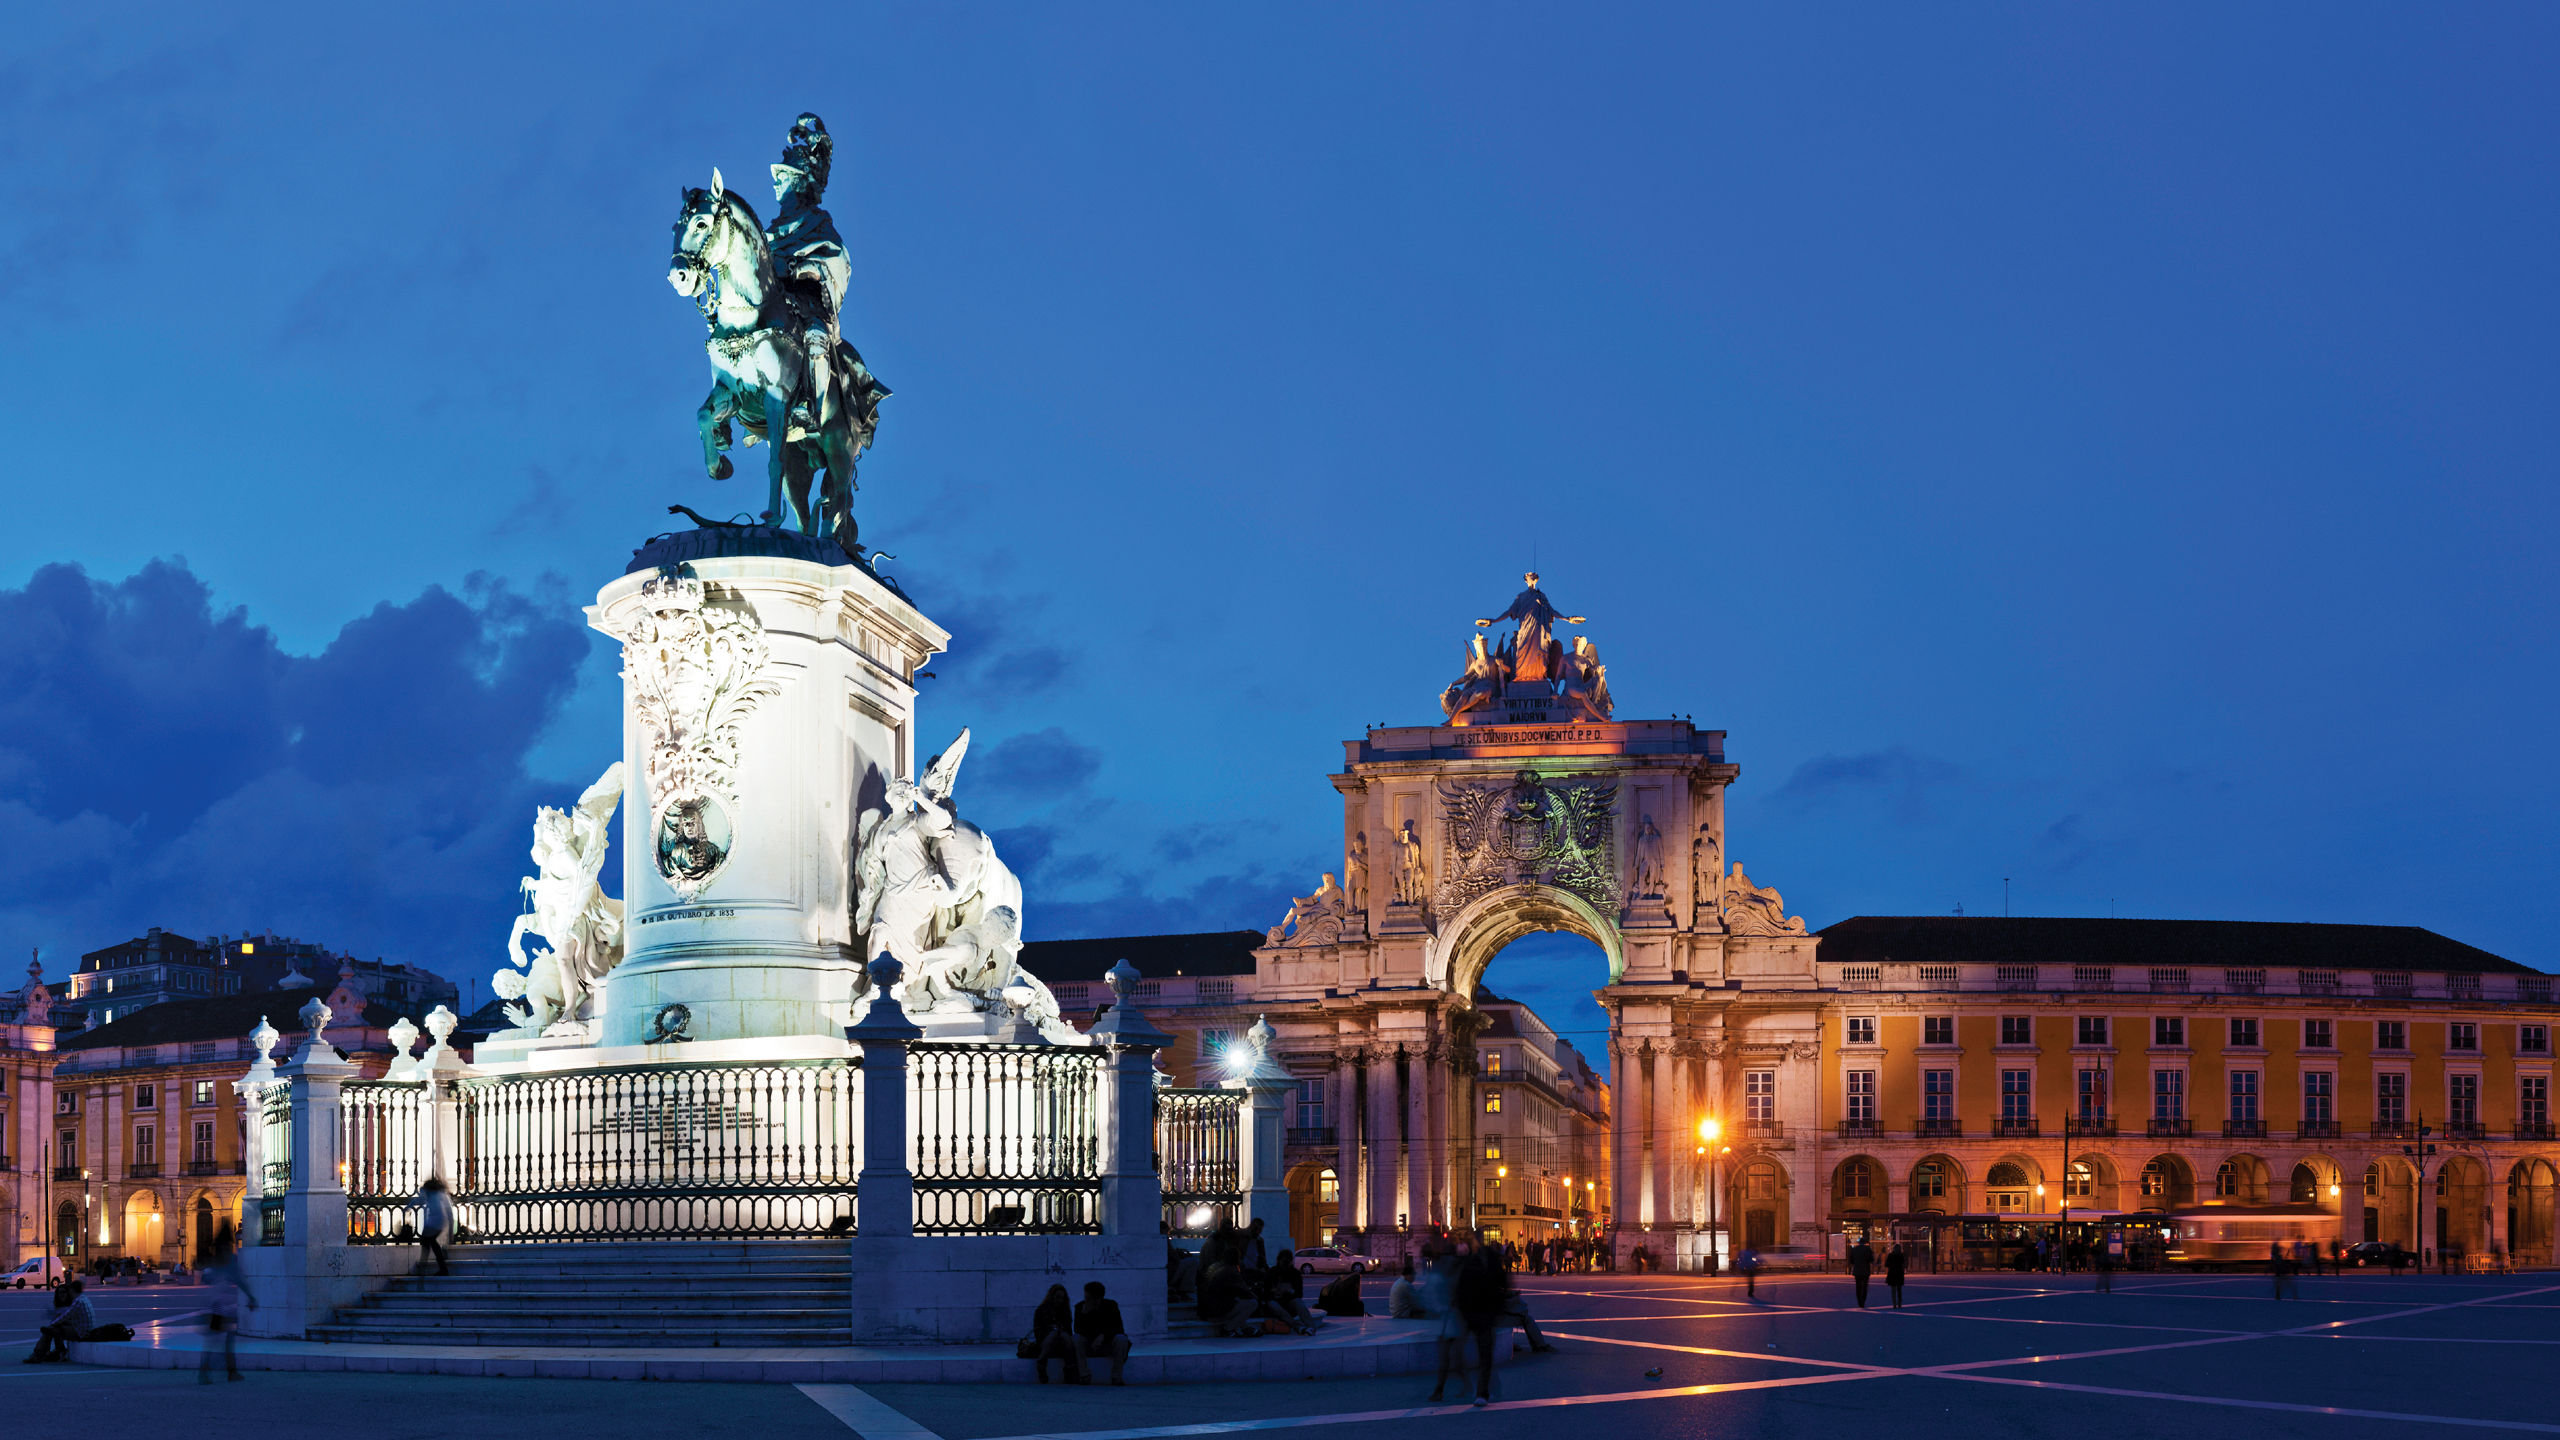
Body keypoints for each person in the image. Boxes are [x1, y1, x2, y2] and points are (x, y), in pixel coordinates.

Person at [198, 1221, 257, 1383]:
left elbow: (207, 1278)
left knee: (212, 1342)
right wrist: (251, 1297)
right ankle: (231, 1372)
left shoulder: (214, 1259)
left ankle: (206, 1372)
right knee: (227, 1341)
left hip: (213, 1307)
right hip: (225, 1308)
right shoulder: (230, 1260)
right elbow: (238, 1279)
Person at [1074, 1281, 1132, 1386]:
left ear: (1097, 1299)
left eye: (1088, 1298)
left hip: (1107, 1344)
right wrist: (1085, 1315)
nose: (1085, 1300)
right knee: (1076, 1338)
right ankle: (1084, 1375)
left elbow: (1118, 1328)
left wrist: (1103, 1336)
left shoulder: (1111, 1306)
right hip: (1089, 1344)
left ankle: (1116, 1377)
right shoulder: (1080, 1307)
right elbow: (1078, 1329)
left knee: (1121, 1339)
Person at [25, 1280, 94, 1363]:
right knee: (53, 1329)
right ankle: (55, 1352)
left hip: (81, 1332)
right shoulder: (83, 1298)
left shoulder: (78, 1301)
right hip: (83, 1330)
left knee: (51, 1330)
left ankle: (39, 1354)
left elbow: (65, 1316)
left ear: (72, 1290)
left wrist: (51, 1325)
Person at [1030, 1283, 1087, 1383]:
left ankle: (1070, 1367)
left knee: (1064, 1335)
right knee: (1054, 1334)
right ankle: (1042, 1363)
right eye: (1057, 1297)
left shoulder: (1065, 1311)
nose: (1060, 1300)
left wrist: (1060, 1330)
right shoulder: (1041, 1310)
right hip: (1046, 1342)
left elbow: (1069, 1331)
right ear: (1051, 1297)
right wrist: (1052, 1331)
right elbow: (1038, 1333)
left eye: (1062, 1298)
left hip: (1062, 1343)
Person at [1266, 1252, 1325, 1335]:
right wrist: (1276, 1292)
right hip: (1276, 1301)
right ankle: (1298, 1326)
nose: (1285, 1265)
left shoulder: (1295, 1274)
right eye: (1284, 1262)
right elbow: (1266, 1292)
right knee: (1273, 1304)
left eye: (1287, 1262)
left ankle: (1310, 1327)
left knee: (1298, 1302)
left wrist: (1288, 1292)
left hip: (1289, 1301)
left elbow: (1299, 1294)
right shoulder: (1272, 1273)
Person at [416, 1176, 454, 1277]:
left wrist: (408, 1207)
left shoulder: (432, 1194)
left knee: (426, 1243)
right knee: (432, 1243)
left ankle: (423, 1266)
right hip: (439, 1222)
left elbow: (419, 1200)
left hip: (434, 1222)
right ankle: (442, 1268)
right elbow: (449, 1213)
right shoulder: (441, 1194)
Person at [1848, 1236, 1875, 1309]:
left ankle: (1859, 1302)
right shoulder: (1868, 1249)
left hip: (1857, 1270)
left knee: (1858, 1286)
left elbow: (1851, 1260)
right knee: (1865, 1286)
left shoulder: (1854, 1249)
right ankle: (1863, 1301)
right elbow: (1871, 1259)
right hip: (1865, 1270)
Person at [1885, 1245, 1908, 1309]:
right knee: (1899, 1289)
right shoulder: (1901, 1255)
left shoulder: (1890, 1255)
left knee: (1893, 1290)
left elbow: (1886, 1264)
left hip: (1892, 1273)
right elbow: (1903, 1263)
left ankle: (1894, 1303)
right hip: (1899, 1273)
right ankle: (1899, 1303)